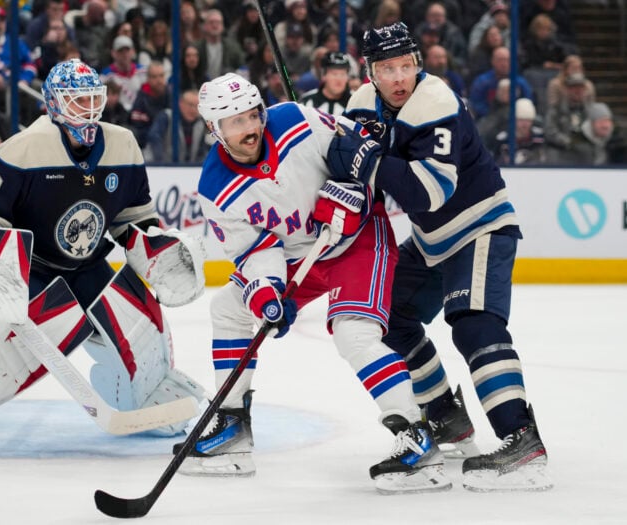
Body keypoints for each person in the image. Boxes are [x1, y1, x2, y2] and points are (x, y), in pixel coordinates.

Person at [0, 59, 206, 458]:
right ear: (52, 105)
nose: (87, 109)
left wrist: (154, 246)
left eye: (91, 99)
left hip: (84, 265)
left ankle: (151, 394)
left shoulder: (123, 144)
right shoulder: (24, 149)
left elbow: (131, 217)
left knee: (136, 317)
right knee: (19, 345)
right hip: (26, 269)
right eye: (76, 100)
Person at [178, 72, 450, 494]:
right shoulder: (216, 188)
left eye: (252, 115)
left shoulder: (296, 121)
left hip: (358, 241)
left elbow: (359, 152)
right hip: (299, 255)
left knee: (353, 335)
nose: (250, 127)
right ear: (215, 130)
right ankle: (233, 424)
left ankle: (417, 435)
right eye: (236, 122)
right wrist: (267, 295)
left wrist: (352, 193)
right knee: (228, 308)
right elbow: (255, 249)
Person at [344, 22, 552, 492]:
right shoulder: (362, 103)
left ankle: (521, 439)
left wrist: (366, 159)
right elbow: (349, 165)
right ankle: (444, 416)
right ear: (370, 72)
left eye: (406, 65)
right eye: (387, 68)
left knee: (475, 322)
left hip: (480, 227)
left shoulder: (435, 102)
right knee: (390, 314)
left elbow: (430, 191)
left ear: (418, 62)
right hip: (433, 239)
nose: (399, 77)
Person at [300, 51, 353, 116]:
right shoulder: (307, 101)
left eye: (343, 74)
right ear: (323, 75)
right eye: (334, 74)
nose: (339, 79)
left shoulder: (356, 100)